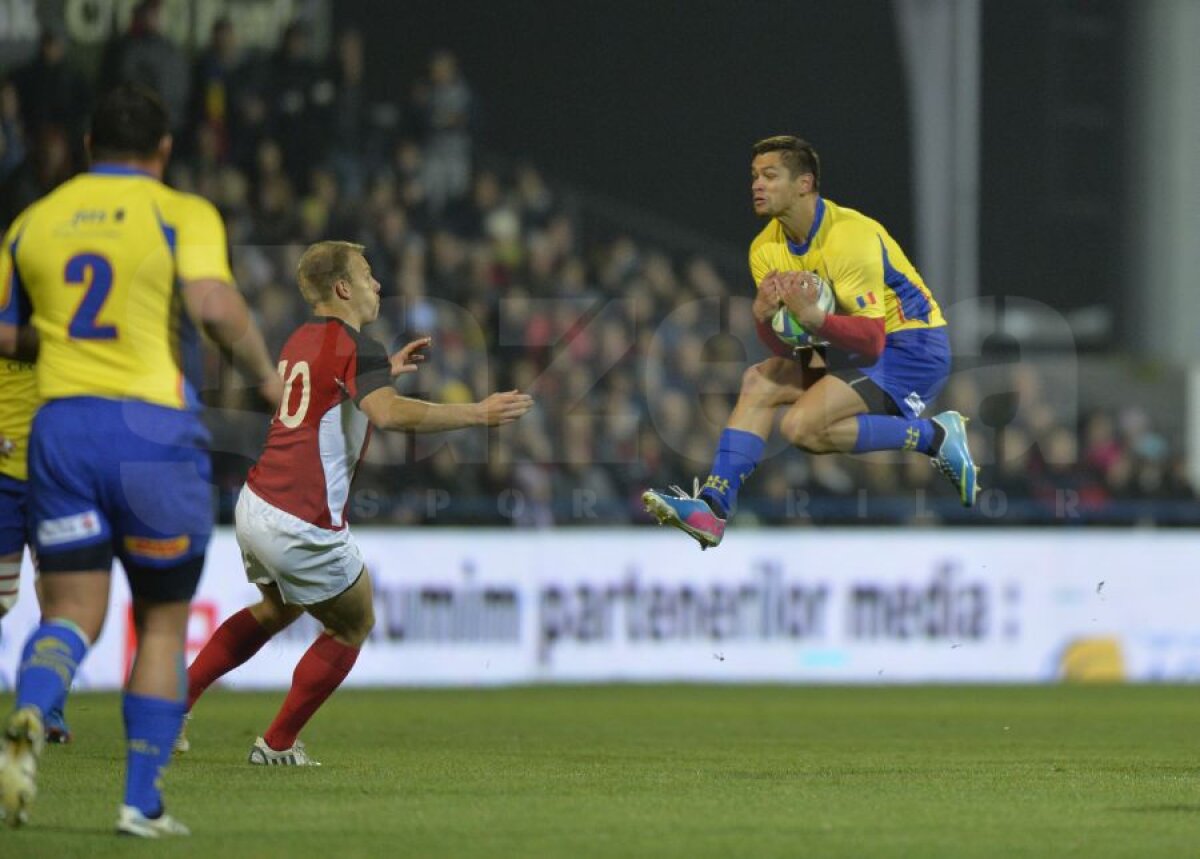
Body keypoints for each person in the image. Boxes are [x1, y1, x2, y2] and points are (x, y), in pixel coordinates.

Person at [0, 83, 281, 836]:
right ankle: (139, 802)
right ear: (163, 150)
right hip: (151, 431)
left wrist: (54, 338)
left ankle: (30, 712)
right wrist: (262, 375)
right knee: (160, 621)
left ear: (89, 147)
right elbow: (215, 305)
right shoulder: (181, 211)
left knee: (70, 612)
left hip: (61, 430)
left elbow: (6, 334)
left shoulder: (33, 221)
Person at [179, 240, 532, 765]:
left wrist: (379, 370)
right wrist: (477, 413)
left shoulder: (301, 337)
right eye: (367, 275)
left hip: (256, 503)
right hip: (300, 517)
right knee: (353, 622)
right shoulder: (357, 347)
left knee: (277, 609)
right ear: (343, 288)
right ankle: (277, 744)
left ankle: (174, 704)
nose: (377, 284)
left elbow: (324, 391)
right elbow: (387, 415)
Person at [643, 135, 978, 549]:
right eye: (754, 176)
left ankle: (934, 437)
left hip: (911, 348)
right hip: (849, 348)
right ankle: (713, 508)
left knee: (801, 426)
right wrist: (763, 317)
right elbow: (791, 347)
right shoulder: (765, 250)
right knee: (760, 380)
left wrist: (815, 317)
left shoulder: (849, 237)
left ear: (804, 184)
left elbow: (873, 342)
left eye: (770, 176)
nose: (757, 184)